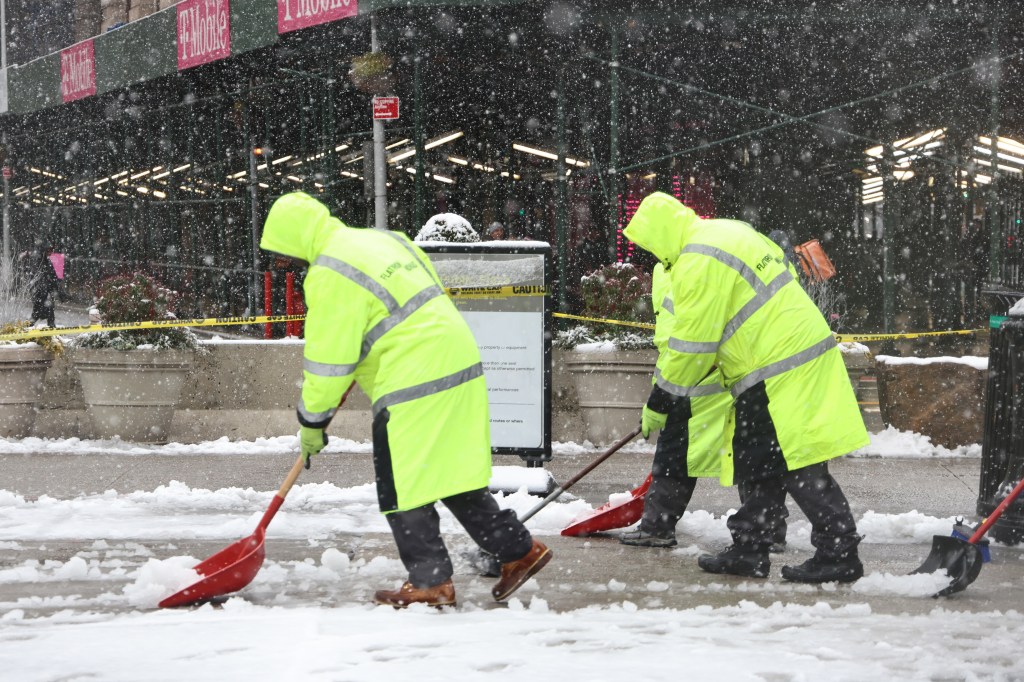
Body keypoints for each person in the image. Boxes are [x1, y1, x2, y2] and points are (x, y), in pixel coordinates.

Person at [259, 191, 552, 608]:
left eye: (285, 254)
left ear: (293, 239)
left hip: (414, 380)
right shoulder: (384, 239)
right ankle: (519, 550)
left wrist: (311, 423)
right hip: (459, 362)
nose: (289, 262)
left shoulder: (329, 272)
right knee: (451, 476)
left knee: (402, 483)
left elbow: (327, 362)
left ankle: (430, 581)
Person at [623, 192, 868, 583]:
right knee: (761, 458)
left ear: (661, 233)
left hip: (777, 366)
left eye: (650, 243)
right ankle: (750, 546)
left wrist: (662, 395)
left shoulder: (697, 258)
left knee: (795, 461)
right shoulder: (728, 231)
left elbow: (693, 343)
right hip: (784, 360)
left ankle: (838, 551)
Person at [619, 263, 788, 551]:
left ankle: (657, 526)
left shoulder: (685, 267)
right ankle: (767, 530)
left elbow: (683, 334)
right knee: (753, 453)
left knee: (676, 455)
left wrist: (665, 391)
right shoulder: (704, 263)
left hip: (696, 377)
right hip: (732, 375)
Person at [29, 245, 59, 328]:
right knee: (41, 309)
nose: (51, 253)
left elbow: (53, 276)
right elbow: (38, 275)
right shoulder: (40, 261)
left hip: (45, 290)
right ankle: (51, 327)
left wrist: (53, 286)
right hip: (41, 290)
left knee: (43, 310)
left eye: (52, 251)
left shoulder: (48, 261)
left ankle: (50, 326)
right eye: (49, 251)